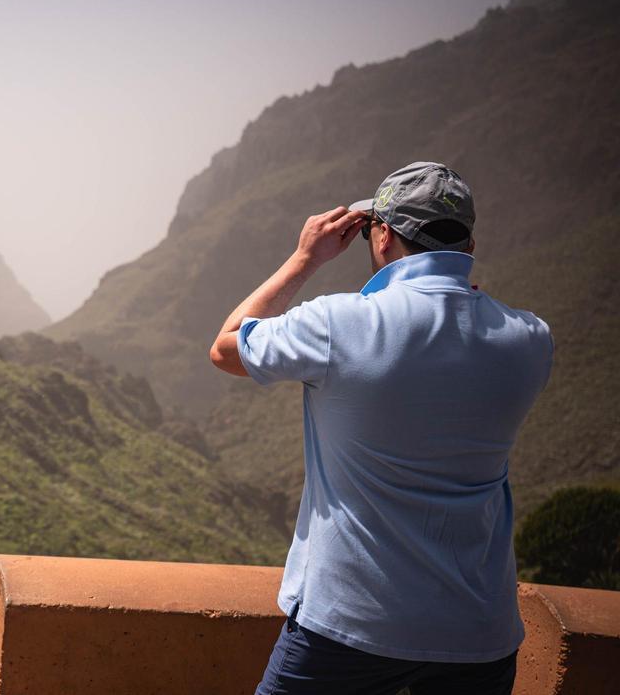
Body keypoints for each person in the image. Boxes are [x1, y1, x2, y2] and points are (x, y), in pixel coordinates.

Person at [208, 161, 553, 695]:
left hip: (350, 625)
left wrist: (305, 258)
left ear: (383, 234)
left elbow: (226, 346)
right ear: (469, 243)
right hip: (478, 635)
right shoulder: (529, 338)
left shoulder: (338, 324)